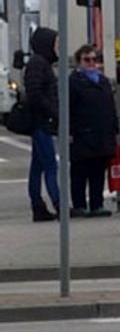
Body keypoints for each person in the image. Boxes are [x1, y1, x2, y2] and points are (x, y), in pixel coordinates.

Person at [68, 44, 118, 217]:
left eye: (93, 59)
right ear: (79, 62)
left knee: (98, 172)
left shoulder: (102, 81)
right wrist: (70, 132)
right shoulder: (73, 82)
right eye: (86, 59)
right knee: (80, 172)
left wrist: (114, 128)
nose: (91, 63)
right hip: (82, 135)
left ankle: (97, 204)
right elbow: (68, 109)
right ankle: (79, 205)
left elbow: (111, 107)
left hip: (102, 134)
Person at [23, 27, 61, 222]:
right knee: (50, 165)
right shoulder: (39, 65)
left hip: (41, 121)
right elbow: (36, 95)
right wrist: (55, 113)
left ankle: (38, 205)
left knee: (38, 166)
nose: (58, 48)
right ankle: (58, 203)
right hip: (41, 122)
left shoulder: (40, 63)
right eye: (56, 43)